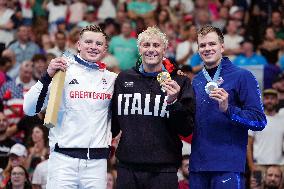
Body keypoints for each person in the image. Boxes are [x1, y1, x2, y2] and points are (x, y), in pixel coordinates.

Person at [23, 25, 117, 188]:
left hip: (97, 166)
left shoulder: (112, 79)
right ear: (78, 45)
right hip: (63, 162)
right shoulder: (62, 72)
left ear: (105, 49)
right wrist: (47, 75)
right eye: (88, 42)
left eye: (98, 44)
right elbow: (29, 108)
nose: (93, 47)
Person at [111, 26, 195, 189]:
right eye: (146, 45)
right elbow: (113, 123)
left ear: (165, 49)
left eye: (156, 45)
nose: (151, 50)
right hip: (128, 168)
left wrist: (173, 103)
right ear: (139, 48)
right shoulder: (123, 78)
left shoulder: (179, 81)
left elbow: (187, 129)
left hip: (164, 170)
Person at [189, 25, 267, 189]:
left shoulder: (243, 76)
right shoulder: (195, 81)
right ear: (198, 50)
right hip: (198, 165)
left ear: (222, 47)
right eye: (202, 45)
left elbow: (259, 121)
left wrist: (228, 110)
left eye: (212, 44)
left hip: (228, 165)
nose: (207, 48)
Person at [247, 89, 284, 178]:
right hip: (259, 165)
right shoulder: (256, 119)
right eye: (267, 98)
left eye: (272, 98)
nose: (269, 101)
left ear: (277, 100)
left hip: (280, 166)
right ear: (263, 100)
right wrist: (251, 166)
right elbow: (248, 144)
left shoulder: (283, 119)